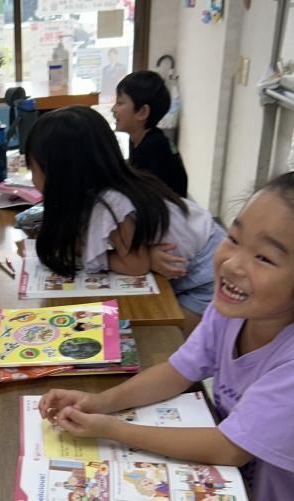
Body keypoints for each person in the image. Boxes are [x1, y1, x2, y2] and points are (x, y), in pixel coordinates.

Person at [38, 171, 294, 500]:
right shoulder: (231, 312)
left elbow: (230, 449)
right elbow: (178, 371)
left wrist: (112, 429)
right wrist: (101, 402)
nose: (232, 264)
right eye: (233, 238)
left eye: (264, 258)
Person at [25, 105, 224, 333]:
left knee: (160, 336)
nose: (32, 179)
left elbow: (135, 265)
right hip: (191, 263)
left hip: (207, 277)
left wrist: (108, 257)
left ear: (63, 174)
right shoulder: (100, 191)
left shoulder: (111, 203)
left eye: (33, 169)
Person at [112, 70, 188, 198]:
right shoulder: (140, 139)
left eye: (120, 103)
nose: (113, 109)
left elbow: (149, 199)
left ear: (142, 112)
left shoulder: (153, 148)